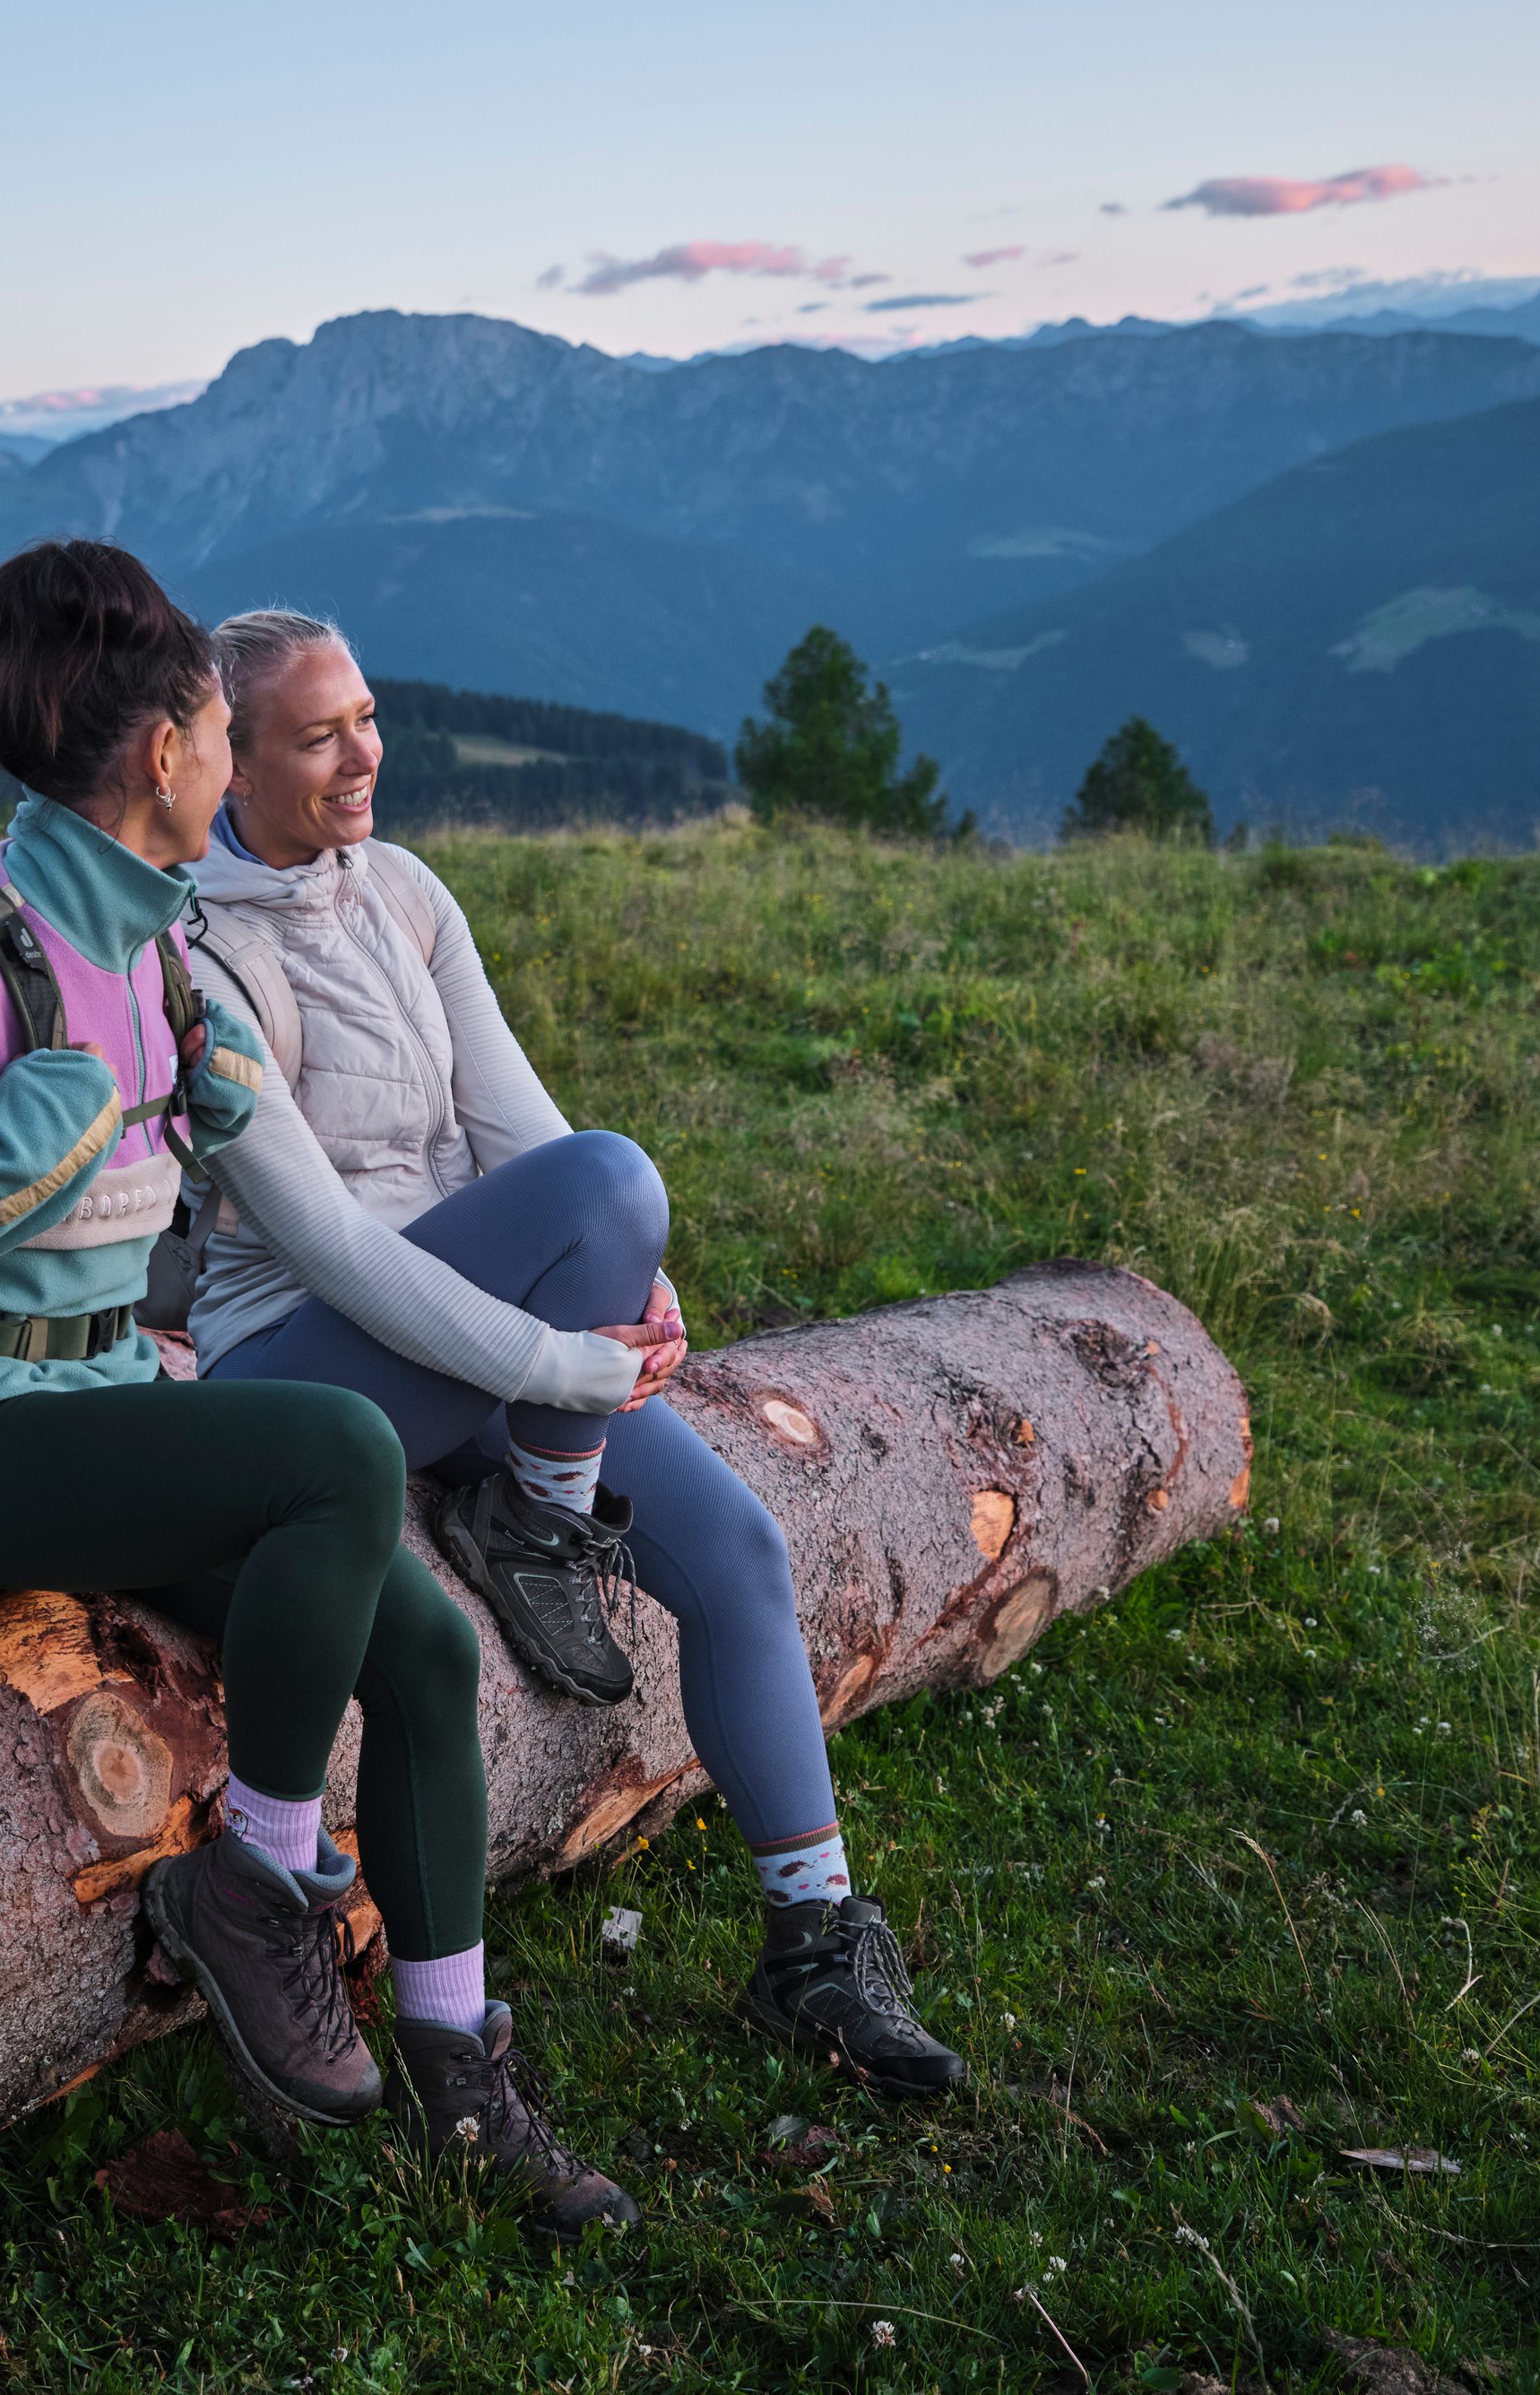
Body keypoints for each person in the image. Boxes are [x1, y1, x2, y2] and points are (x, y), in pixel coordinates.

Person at [0, 542, 633, 2233]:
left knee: (428, 1647)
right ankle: (259, 1877)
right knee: (338, 1456)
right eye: (227, 728)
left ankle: (457, 2073)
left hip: (87, 1421)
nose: (234, 761)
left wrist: (555, 1350)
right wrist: (19, 1155)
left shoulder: (155, 959)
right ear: (166, 755)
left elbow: (274, 1217)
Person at [186, 609, 965, 2097]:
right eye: (318, 733)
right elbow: (337, 1252)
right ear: (234, 761)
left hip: (470, 1333)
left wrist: (640, 1284)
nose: (364, 754)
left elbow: (517, 1131)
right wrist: (558, 1367)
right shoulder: (202, 957)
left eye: (368, 715)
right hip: (300, 1367)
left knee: (737, 1544)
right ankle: (543, 1511)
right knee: (609, 1179)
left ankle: (810, 1946)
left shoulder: (406, 894)